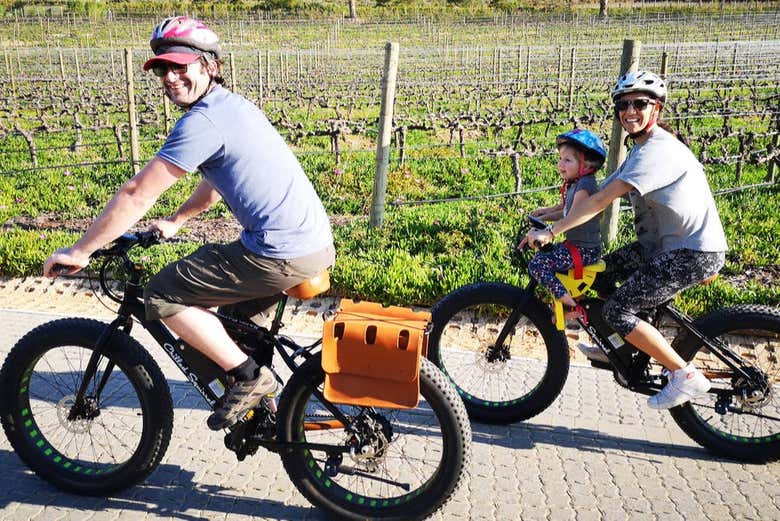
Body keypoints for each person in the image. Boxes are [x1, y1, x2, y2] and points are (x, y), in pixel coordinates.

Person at [43, 16, 335, 430]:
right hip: (311, 244)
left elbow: (137, 193)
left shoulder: (203, 121)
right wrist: (177, 219)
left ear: (210, 66)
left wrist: (80, 250)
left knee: (163, 295)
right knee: (228, 329)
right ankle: (264, 415)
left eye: (181, 66)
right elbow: (215, 183)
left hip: (279, 252)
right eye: (162, 68)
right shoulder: (231, 106)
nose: (169, 77)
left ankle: (251, 379)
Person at [525, 70, 728, 410]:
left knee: (618, 309)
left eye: (639, 104)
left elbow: (601, 201)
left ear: (656, 108)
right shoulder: (641, 150)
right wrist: (549, 214)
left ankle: (684, 374)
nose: (630, 111)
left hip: (690, 252)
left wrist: (552, 232)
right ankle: (621, 345)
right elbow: (599, 193)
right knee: (600, 275)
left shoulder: (656, 151)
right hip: (663, 246)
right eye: (623, 105)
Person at [520, 129, 607, 321]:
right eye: (560, 159)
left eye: (568, 160)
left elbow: (574, 216)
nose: (561, 164)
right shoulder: (577, 184)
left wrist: (548, 232)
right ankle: (568, 300)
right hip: (578, 248)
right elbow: (566, 210)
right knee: (543, 256)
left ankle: (572, 306)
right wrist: (544, 215)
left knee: (538, 265)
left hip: (584, 251)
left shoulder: (585, 186)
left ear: (586, 164)